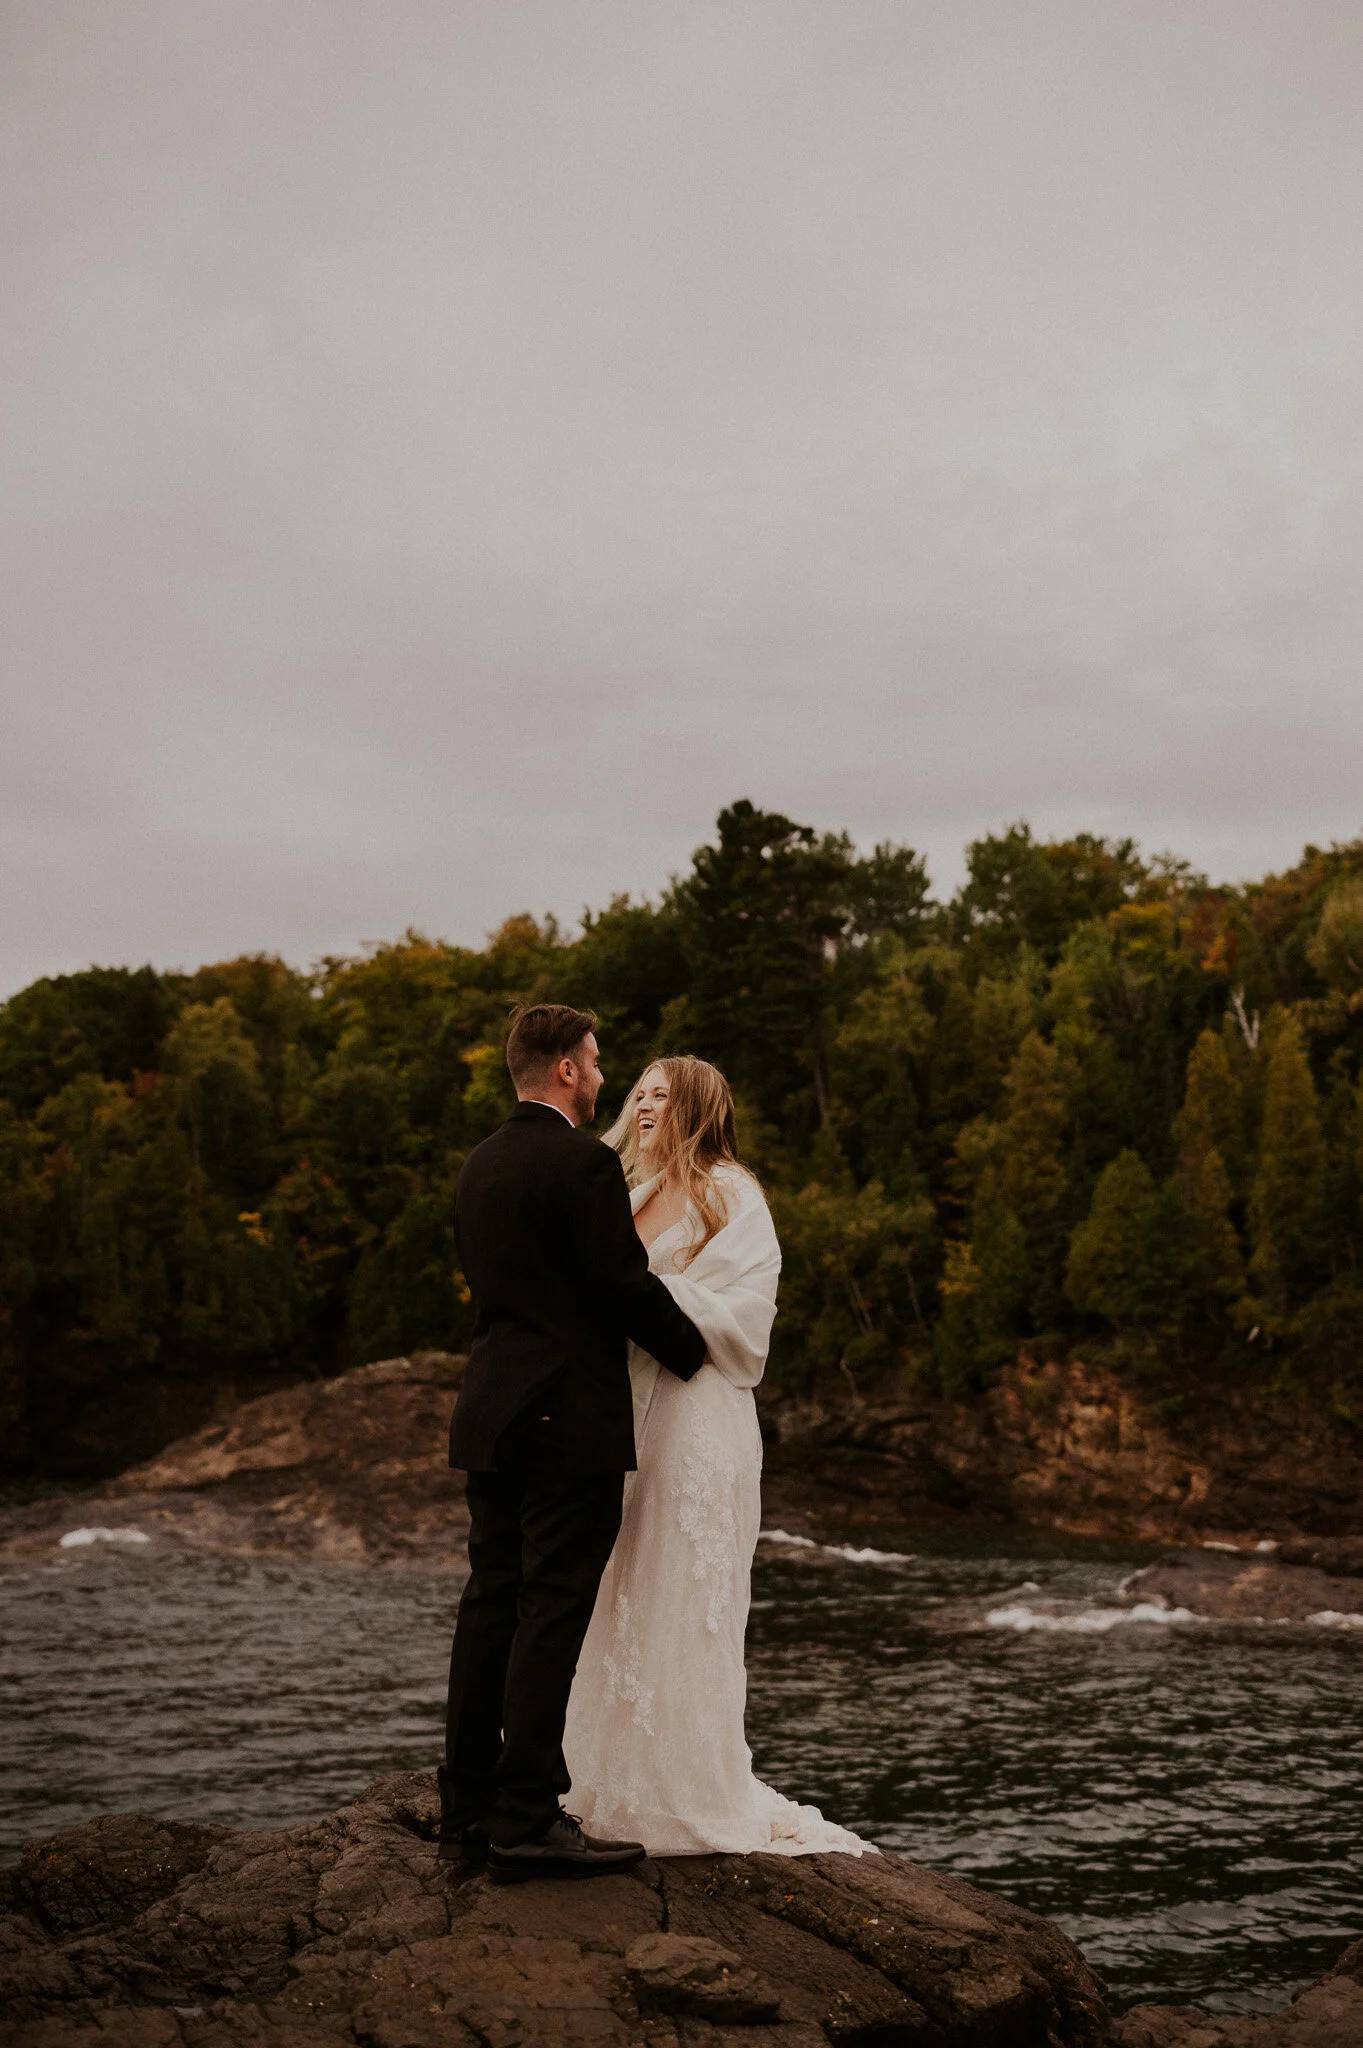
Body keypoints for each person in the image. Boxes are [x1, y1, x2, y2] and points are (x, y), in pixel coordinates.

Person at [562, 1054, 871, 1857]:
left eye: (663, 1097)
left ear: (696, 1107)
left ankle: (684, 1791)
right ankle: (600, 1778)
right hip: (624, 1411)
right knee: (620, 1582)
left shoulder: (731, 1191)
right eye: (639, 1093)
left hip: (696, 1413)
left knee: (684, 1588)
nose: (643, 1106)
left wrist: (629, 1292)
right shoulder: (625, 1192)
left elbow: (745, 1316)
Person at [441, 1005, 707, 1883]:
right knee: (549, 1612)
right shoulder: (583, 1164)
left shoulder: (478, 1165)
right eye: (593, 1064)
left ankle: (466, 1808)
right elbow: (619, 1287)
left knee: (490, 1606)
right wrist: (694, 1352)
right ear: (561, 1070)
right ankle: (524, 1819)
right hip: (566, 1422)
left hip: (490, 1413)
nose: (601, 1078)